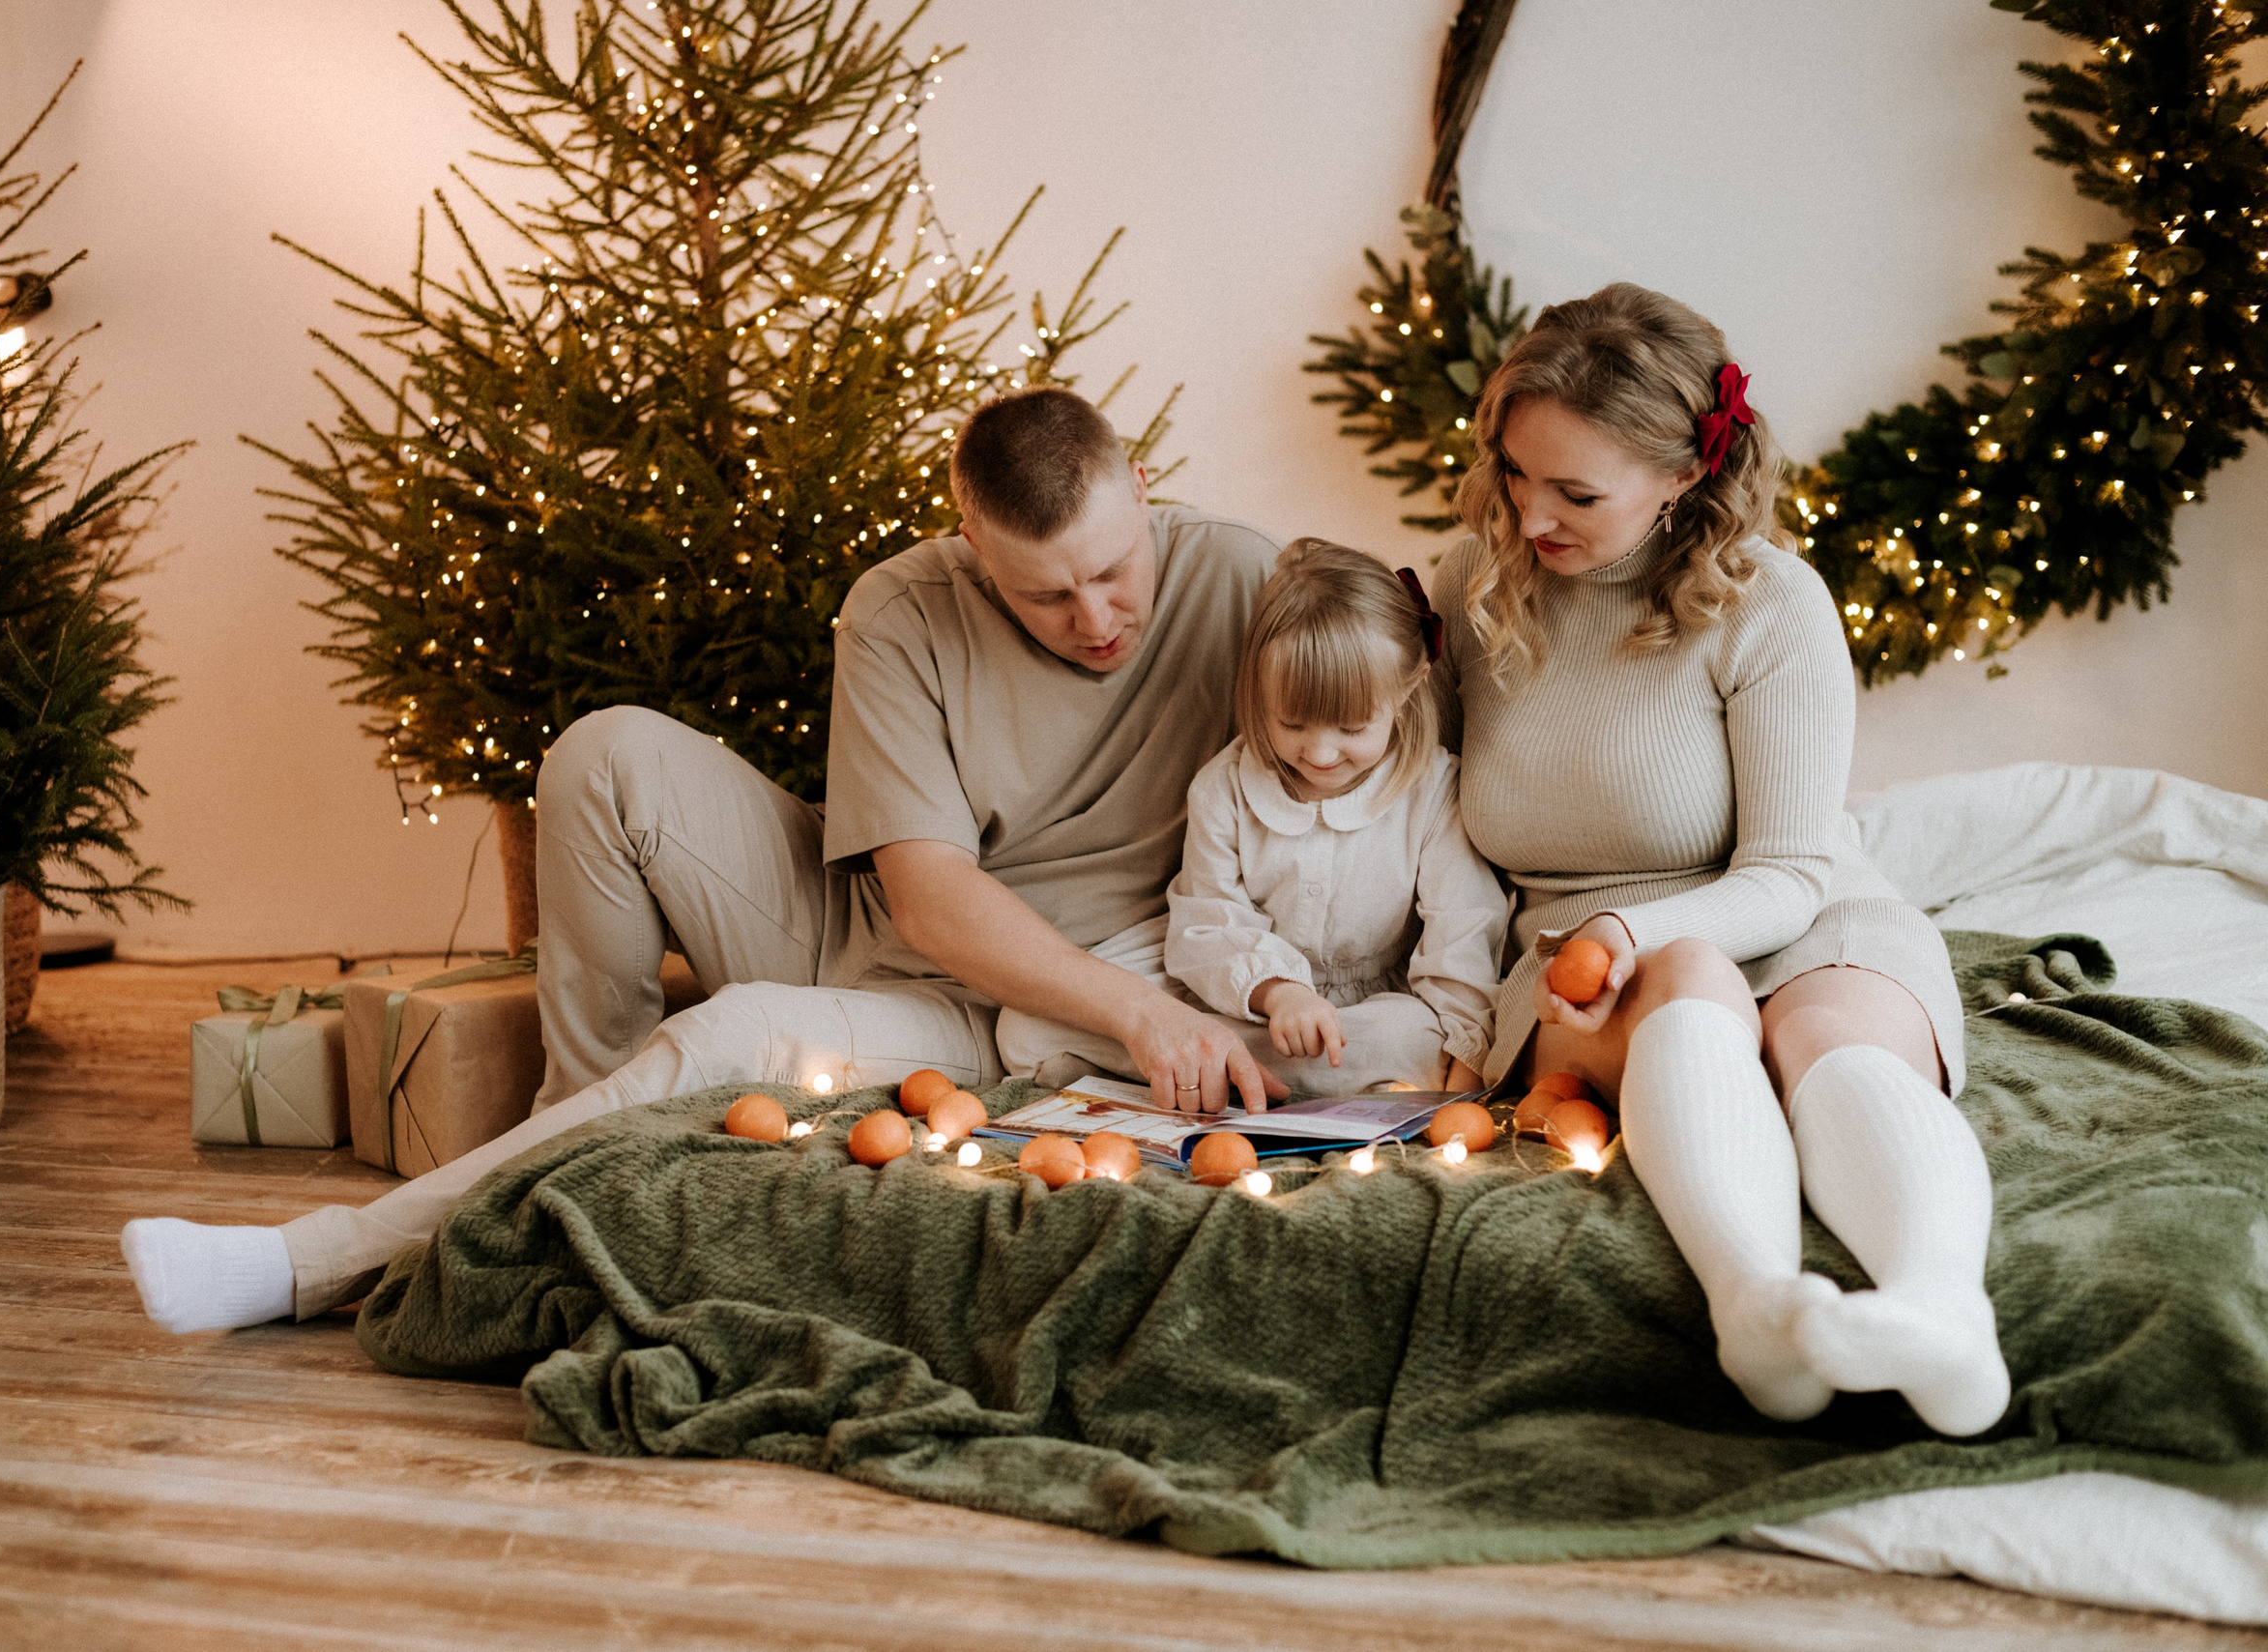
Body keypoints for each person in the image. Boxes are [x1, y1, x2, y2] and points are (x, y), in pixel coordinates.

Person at [121, 387, 1292, 1334]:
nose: (1096, 614)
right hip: (889, 935)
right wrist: (1143, 1016)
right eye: (1047, 592)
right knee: (603, 752)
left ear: (1144, 487)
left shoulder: (1245, 578)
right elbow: (930, 902)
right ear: (972, 541)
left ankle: (305, 1261)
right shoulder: (901, 605)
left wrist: (1177, 1002)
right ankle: (575, 1140)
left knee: (725, 1032)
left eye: (1114, 569)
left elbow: (1358, 758)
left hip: (1008, 1015)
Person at [1427, 282, 2009, 1436]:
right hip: (1585, 959)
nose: (1531, 514)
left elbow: (1791, 870)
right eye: (1514, 472)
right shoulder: (1470, 588)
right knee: (1689, 978)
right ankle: (1756, 1312)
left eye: (1576, 492)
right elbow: (1396, 804)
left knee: (1828, 1044)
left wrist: (1634, 929)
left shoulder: (1771, 602)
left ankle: (1945, 1312)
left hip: (1801, 908)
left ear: (1684, 472)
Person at [1145, 537, 1501, 1096]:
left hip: (1375, 1015)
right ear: (1259, 690)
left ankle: (1241, 1075)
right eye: (1292, 723)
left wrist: (1464, 1045)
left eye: (1352, 728)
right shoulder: (1223, 790)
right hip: (1251, 1005)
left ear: (1407, 687)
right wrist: (1281, 993)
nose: (1320, 753)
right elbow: (1209, 925)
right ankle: (1245, 1066)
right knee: (1043, 1027)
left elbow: (1463, 931)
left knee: (1412, 1035)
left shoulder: (1433, 790)